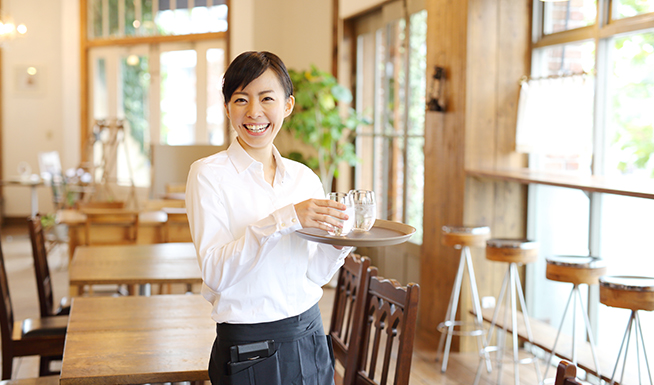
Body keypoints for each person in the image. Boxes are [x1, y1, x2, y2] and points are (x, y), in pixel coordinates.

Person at [185, 51, 352, 385]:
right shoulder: (207, 175)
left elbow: (314, 274)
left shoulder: (304, 178)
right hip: (249, 346)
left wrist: (340, 241)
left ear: (287, 106)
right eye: (241, 99)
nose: (254, 112)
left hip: (310, 337)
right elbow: (216, 273)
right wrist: (285, 218)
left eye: (266, 99)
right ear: (227, 107)